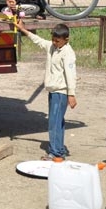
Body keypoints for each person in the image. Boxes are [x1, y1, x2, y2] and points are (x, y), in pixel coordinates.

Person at [14, 19, 77, 160]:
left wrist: (71, 95)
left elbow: (71, 74)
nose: (55, 43)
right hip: (53, 91)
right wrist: (23, 29)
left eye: (58, 41)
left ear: (66, 40)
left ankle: (56, 153)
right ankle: (59, 149)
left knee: (54, 123)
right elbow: (38, 40)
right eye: (53, 40)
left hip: (61, 92)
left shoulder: (68, 53)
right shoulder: (52, 47)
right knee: (57, 122)